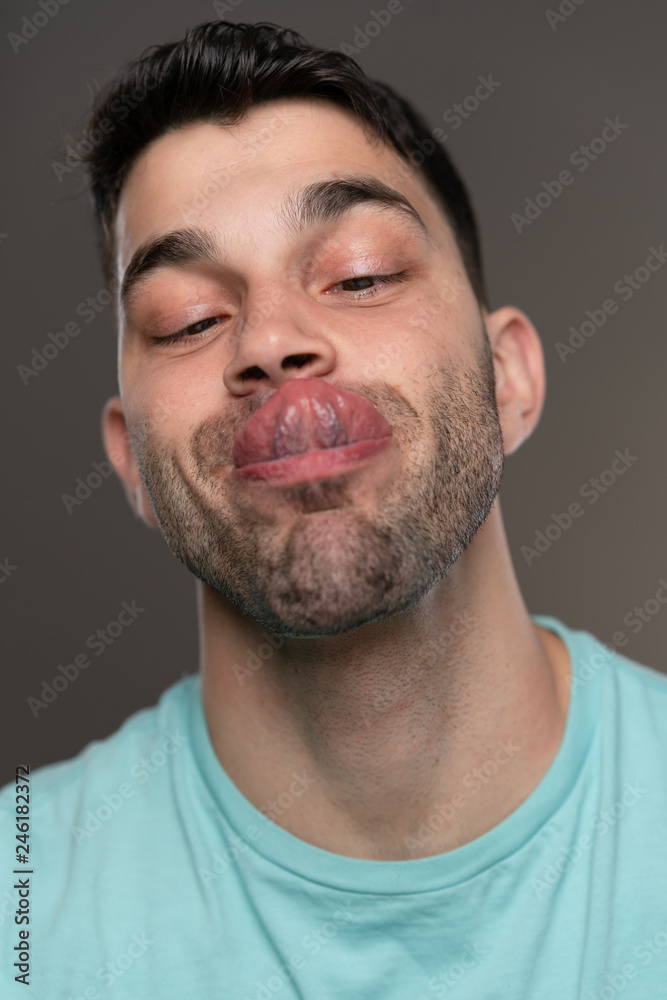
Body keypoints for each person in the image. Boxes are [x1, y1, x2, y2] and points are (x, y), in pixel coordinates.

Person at [1, 18, 666, 999]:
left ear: (508, 377)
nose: (270, 341)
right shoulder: (20, 910)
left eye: (358, 274)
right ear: (130, 461)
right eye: (189, 319)